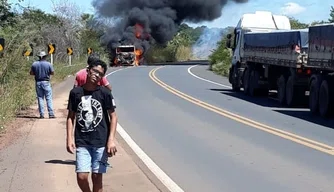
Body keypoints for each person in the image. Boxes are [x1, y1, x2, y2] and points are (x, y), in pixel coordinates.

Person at [66, 58, 117, 192]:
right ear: (88, 71)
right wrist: (69, 138)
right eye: (94, 71)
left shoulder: (105, 93)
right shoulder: (75, 93)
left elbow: (113, 116)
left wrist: (111, 140)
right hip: (82, 141)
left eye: (100, 74)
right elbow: (70, 117)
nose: (96, 75)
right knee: (82, 176)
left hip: (101, 142)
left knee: (97, 177)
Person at [30, 51, 56, 119]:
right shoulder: (48, 64)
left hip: (38, 82)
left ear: (39, 57)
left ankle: (42, 114)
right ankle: (51, 114)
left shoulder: (34, 64)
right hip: (46, 82)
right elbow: (52, 72)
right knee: (48, 98)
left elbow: (31, 73)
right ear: (45, 57)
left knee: (40, 98)